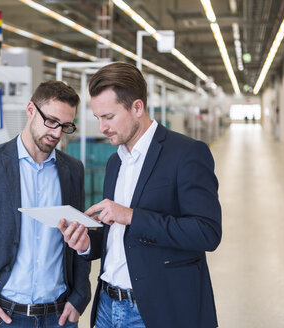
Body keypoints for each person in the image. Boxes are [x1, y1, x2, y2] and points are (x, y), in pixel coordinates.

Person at [58, 62, 222, 328]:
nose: (101, 127)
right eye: (97, 117)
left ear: (137, 107)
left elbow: (207, 232)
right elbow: (119, 235)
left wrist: (132, 216)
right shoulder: (115, 162)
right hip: (107, 308)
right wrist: (87, 242)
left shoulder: (186, 154)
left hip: (155, 310)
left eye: (108, 117)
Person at [0, 81, 91, 328]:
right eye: (51, 121)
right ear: (30, 110)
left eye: (65, 126)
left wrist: (80, 297)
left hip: (59, 316)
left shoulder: (73, 170)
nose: (57, 133)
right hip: (3, 316)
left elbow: (78, 235)